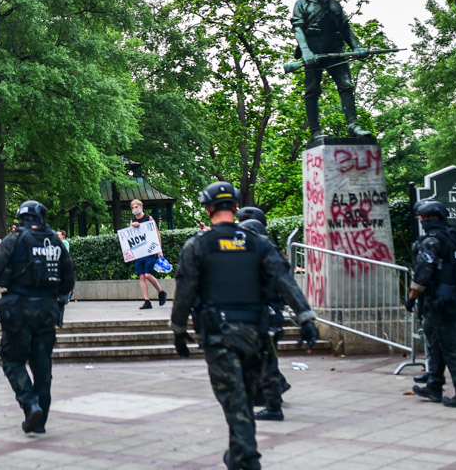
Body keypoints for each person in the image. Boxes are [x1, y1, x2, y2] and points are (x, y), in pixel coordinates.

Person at [171, 181, 318, 470]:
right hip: (255, 335)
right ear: (236, 207)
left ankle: (248, 459)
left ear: (209, 208)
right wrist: (305, 318)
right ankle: (238, 455)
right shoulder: (258, 243)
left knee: (235, 401)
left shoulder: (197, 246)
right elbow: (284, 280)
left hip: (219, 336)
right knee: (245, 399)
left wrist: (178, 330)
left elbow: (185, 290)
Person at [0, 200, 75, 434]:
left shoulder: (14, 240)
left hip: (18, 311)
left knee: (12, 360)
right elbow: (69, 279)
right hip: (47, 311)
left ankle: (30, 405)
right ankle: (39, 422)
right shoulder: (55, 242)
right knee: (42, 367)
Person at [406, 199, 456, 408]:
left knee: (451, 348)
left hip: (438, 301)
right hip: (452, 298)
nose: (422, 222)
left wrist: (411, 298)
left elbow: (423, 273)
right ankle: (434, 386)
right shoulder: (455, 238)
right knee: (436, 346)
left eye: (423, 218)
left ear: (431, 218)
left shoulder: (432, 241)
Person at [291, 0, 371, 139]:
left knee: (346, 85)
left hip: (335, 49)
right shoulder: (301, 4)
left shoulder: (334, 4)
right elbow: (298, 28)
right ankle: (315, 131)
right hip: (313, 51)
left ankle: (353, 126)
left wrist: (356, 47)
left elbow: (345, 27)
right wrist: (305, 51)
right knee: (312, 90)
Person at [235, 207, 291, 421]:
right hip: (263, 313)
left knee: (265, 360)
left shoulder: (266, 254)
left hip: (267, 314)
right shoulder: (263, 252)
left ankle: (273, 405)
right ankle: (272, 394)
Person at [128, 199, 167, 310]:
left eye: (136, 207)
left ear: (141, 207)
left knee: (148, 274)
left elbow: (156, 233)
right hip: (139, 252)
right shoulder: (132, 220)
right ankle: (147, 300)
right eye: (133, 207)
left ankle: (161, 292)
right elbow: (130, 236)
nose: (135, 209)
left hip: (149, 250)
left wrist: (159, 250)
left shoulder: (148, 218)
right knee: (141, 276)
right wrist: (132, 226)